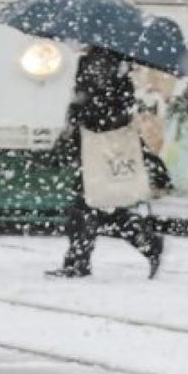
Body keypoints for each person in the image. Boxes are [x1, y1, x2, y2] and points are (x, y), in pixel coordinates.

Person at [47, 46, 165, 280]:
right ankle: (144, 242)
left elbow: (91, 104)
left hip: (96, 144)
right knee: (101, 203)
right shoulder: (119, 65)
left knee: (89, 204)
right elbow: (119, 106)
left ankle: (81, 261)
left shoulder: (97, 62)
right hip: (103, 142)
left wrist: (77, 112)